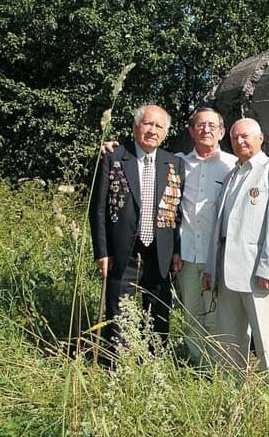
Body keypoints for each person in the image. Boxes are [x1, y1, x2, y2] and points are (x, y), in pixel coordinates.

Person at [102, 107, 269, 366]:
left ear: (221, 132)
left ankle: (223, 368)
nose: (206, 130)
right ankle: (201, 369)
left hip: (221, 258)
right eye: (200, 125)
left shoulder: (234, 165)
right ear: (191, 131)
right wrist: (113, 148)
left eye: (212, 126)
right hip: (186, 256)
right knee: (191, 317)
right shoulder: (176, 163)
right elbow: (168, 205)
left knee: (221, 320)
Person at [202, 118, 269, 382]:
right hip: (226, 272)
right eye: (234, 138)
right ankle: (230, 389)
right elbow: (218, 229)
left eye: (245, 136)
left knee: (268, 339)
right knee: (229, 338)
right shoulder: (231, 175)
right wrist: (210, 267)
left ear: (260, 138)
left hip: (258, 272)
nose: (240, 141)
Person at [89, 104, 183, 361]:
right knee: (118, 312)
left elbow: (177, 212)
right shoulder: (114, 156)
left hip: (160, 253)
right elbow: (97, 209)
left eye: (159, 126)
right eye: (148, 124)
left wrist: (176, 250)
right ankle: (116, 364)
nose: (153, 130)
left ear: (166, 132)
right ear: (135, 126)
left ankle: (153, 363)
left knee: (158, 313)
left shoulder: (174, 163)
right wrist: (101, 251)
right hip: (122, 251)